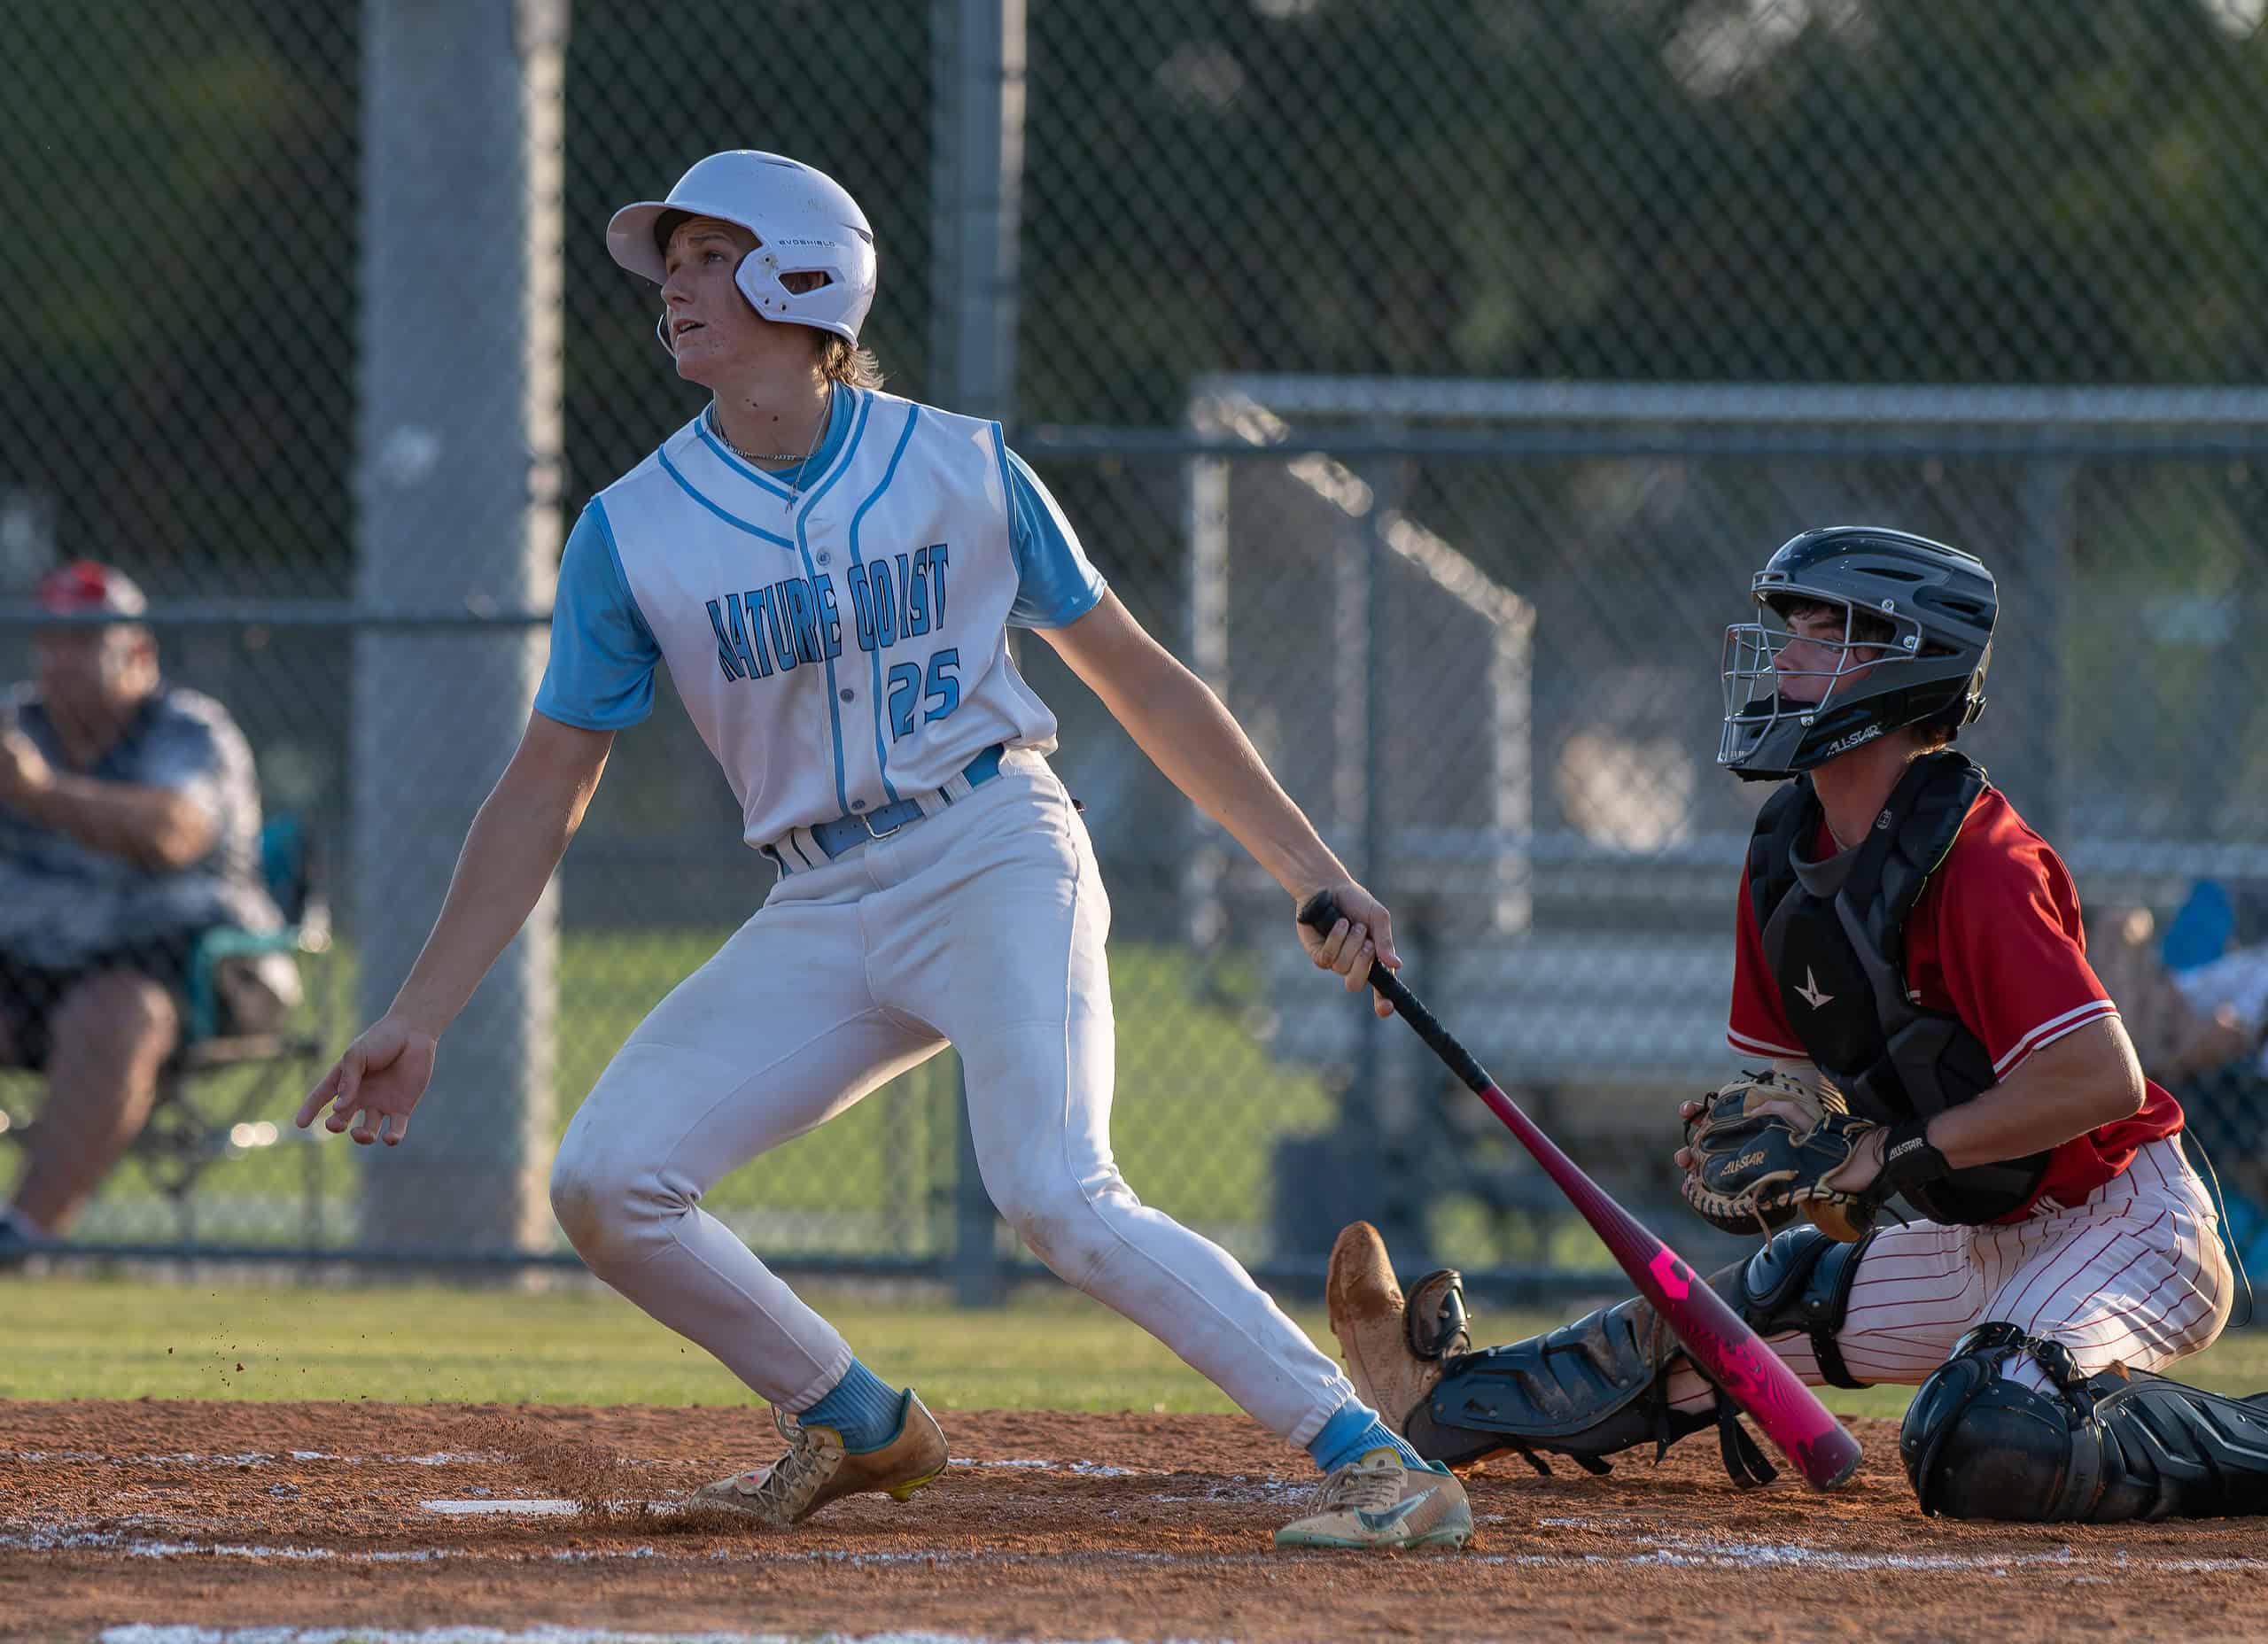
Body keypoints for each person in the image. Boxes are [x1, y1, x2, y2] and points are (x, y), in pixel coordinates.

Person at [293, 150, 1469, 1551]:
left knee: (1055, 1192)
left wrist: (1305, 866)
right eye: (668, 262)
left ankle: (1372, 1457)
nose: (672, 282)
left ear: (808, 273)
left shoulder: (958, 465)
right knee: (607, 1183)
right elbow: (549, 779)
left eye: (709, 254)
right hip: (819, 895)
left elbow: (1143, 682)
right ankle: (854, 1418)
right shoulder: (634, 528)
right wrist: (420, 1011)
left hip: (993, 848)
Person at [1324, 527, 2268, 1522]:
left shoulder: (1982, 859)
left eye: (1829, 632)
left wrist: (1886, 1151)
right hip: (1975, 1237)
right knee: (1764, 1300)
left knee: (1988, 1431)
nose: (1786, 653)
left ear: (1906, 669)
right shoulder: (1787, 857)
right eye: (1792, 627)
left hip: (2124, 1221)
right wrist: (1790, 1156)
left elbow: (2098, 1081)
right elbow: (1799, 1098)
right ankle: (1437, 1401)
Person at [0, 560, 291, 1264]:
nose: (61, 659)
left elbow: (173, 834)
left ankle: (21, 1240)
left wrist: (39, 793)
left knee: (113, 1014)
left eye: (86, 640)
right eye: (51, 640)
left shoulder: (187, 730)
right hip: (40, 956)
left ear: (139, 654)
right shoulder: (18, 723)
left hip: (195, 964)